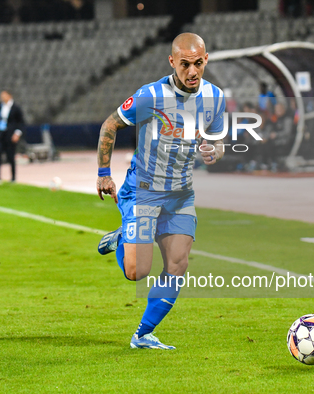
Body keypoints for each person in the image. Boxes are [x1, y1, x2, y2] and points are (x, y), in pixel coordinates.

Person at [96, 33, 226, 350]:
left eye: (198, 63)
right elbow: (110, 125)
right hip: (143, 191)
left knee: (178, 264)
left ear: (206, 59)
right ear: (172, 62)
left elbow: (217, 140)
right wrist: (103, 173)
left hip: (180, 194)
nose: (192, 71)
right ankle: (122, 238)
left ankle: (142, 334)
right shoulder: (150, 95)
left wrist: (215, 151)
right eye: (185, 64)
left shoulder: (215, 97)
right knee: (137, 271)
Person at [0, 90, 25, 184]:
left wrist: (17, 133)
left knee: (11, 156)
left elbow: (21, 122)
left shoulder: (16, 108)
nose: (2, 97)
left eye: (4, 95)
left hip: (10, 135)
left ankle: (13, 177)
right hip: (0, 134)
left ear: (10, 96)